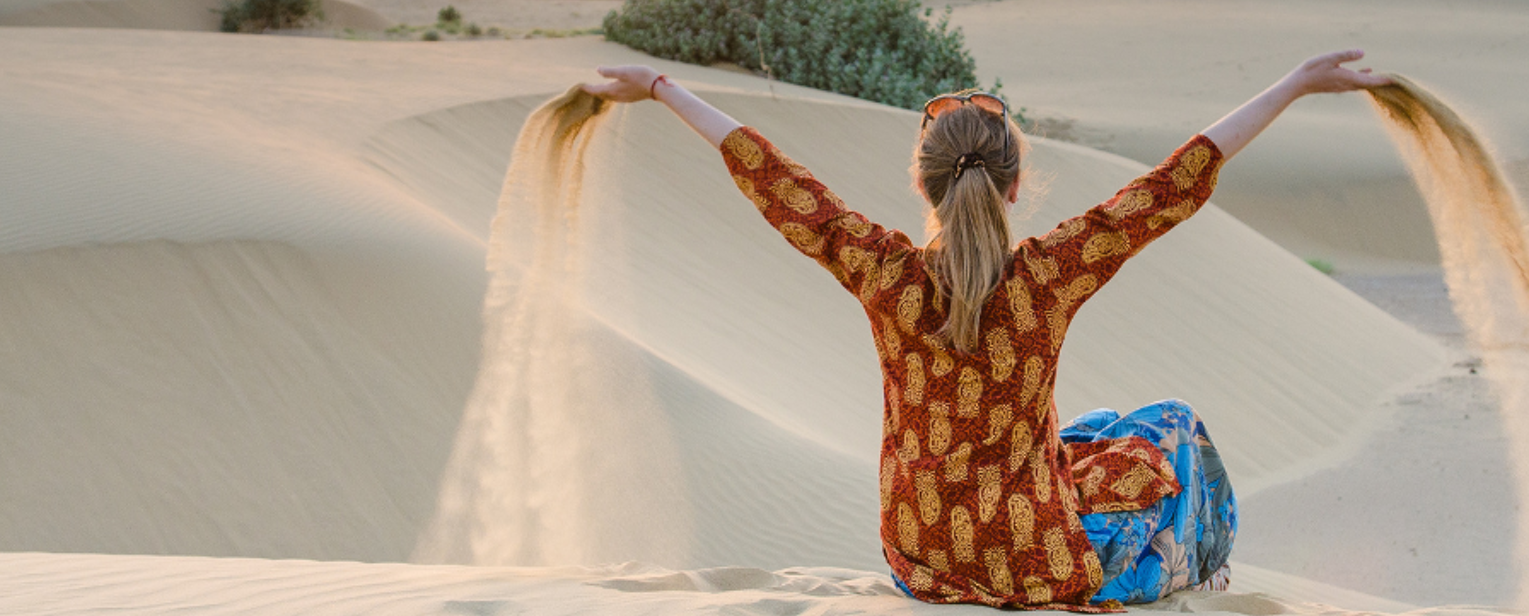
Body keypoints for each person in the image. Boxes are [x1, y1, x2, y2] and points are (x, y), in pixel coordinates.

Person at [583, 52, 1389, 609]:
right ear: (1015, 185)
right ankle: (1200, 580)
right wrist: (1294, 84)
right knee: (1169, 430)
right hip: (1036, 562)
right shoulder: (1048, 275)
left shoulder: (884, 273)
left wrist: (661, 87)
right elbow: (1170, 186)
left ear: (922, 184)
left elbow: (779, 183)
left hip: (919, 561)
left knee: (1088, 435)